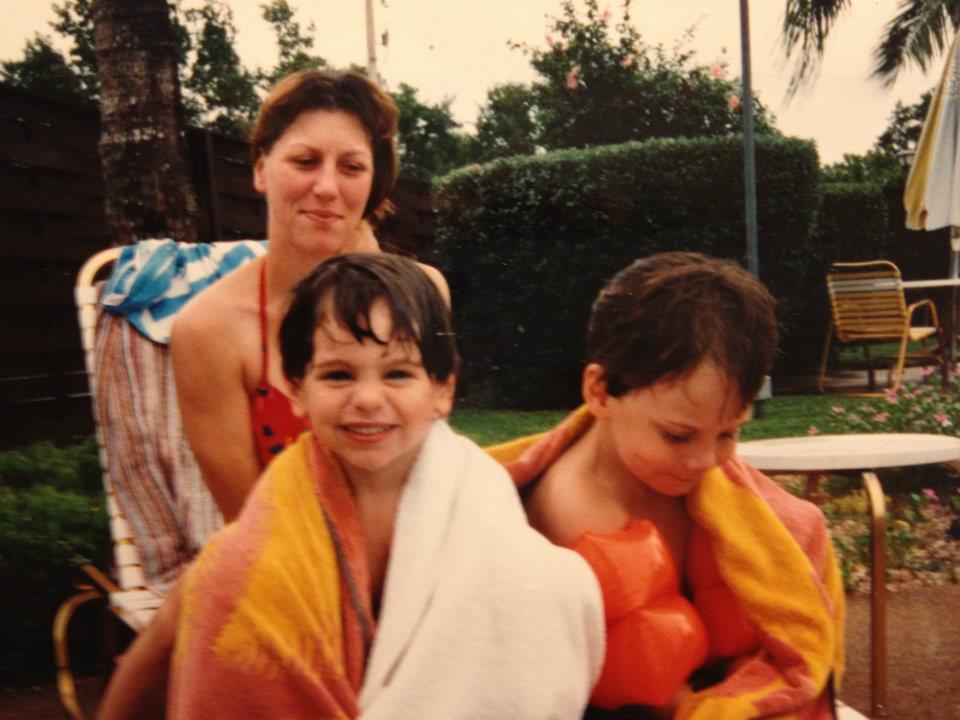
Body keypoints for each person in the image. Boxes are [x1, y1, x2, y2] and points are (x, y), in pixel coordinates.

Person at [97, 253, 604, 720]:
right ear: (297, 389)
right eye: (338, 375)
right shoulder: (257, 561)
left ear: (443, 389)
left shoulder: (474, 490)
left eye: (398, 374)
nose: (367, 399)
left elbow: (519, 593)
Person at [488, 252, 846, 719]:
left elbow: (780, 578)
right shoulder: (573, 512)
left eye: (728, 433)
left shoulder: (685, 475)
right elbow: (641, 676)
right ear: (600, 392)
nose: (704, 461)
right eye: (678, 436)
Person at [172, 68, 448, 522]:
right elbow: (251, 526)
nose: (327, 187)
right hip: (288, 556)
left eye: (352, 168)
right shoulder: (209, 330)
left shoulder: (423, 293)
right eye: (305, 161)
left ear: (373, 182)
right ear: (260, 169)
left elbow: (430, 473)